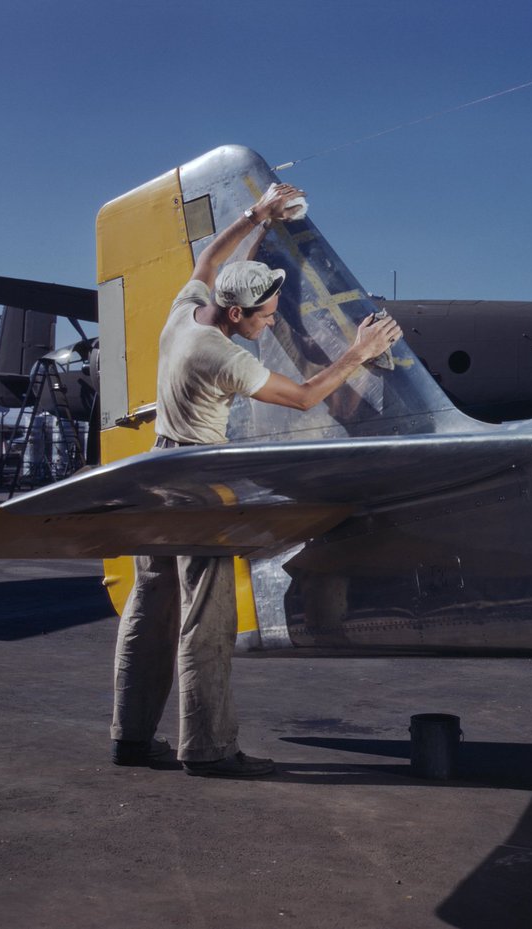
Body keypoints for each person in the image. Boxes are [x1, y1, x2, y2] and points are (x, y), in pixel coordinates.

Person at [111, 182, 402, 778]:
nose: (271, 325)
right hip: (197, 479)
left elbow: (211, 261)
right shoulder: (222, 355)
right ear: (237, 314)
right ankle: (209, 749)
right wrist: (358, 352)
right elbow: (299, 398)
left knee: (150, 607)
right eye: (265, 316)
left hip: (157, 473)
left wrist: (258, 218)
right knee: (206, 621)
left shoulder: (184, 315)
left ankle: (130, 739)